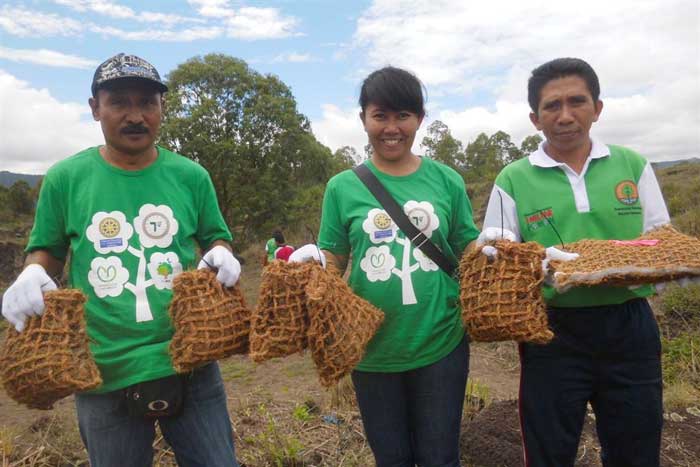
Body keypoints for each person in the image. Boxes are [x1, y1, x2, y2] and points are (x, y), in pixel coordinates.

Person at [1, 53, 241, 467]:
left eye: (147, 103)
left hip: (190, 361)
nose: (136, 115)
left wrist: (222, 252)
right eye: (119, 103)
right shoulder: (65, 179)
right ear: (95, 107)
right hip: (102, 370)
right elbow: (49, 249)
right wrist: (34, 271)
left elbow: (214, 237)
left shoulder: (191, 176)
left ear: (162, 108)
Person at [479, 57, 669, 467]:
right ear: (535, 118)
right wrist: (532, 263)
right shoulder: (513, 178)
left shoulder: (631, 165)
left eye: (577, 101)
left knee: (636, 447)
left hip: (629, 326)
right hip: (552, 332)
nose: (565, 115)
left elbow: (662, 239)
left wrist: (652, 263)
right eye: (552, 106)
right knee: (549, 449)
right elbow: (497, 258)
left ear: (597, 108)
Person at [291, 66, 480, 467]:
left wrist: (494, 247)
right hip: (371, 348)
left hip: (441, 341)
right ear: (363, 119)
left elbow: (467, 246)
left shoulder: (446, 180)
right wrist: (316, 260)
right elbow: (335, 255)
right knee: (391, 457)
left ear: (419, 120)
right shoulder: (343, 187)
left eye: (403, 116)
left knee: (439, 456)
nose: (391, 127)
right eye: (380, 116)